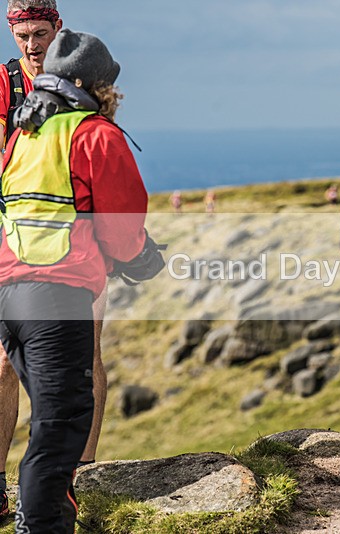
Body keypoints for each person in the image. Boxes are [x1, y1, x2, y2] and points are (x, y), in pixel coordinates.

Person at [0, 28, 163, 531]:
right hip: (58, 298)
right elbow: (121, 227)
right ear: (91, 85)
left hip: (10, 297)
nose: (114, 96)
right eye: (109, 87)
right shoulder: (93, 133)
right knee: (60, 425)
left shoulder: (24, 135)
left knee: (49, 420)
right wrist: (139, 258)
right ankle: (40, 524)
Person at [0, 1, 110, 520]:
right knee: (2, 365)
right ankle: (2, 485)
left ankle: (80, 475)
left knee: (88, 351)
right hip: (13, 244)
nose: (32, 45)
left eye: (40, 34)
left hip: (78, 251)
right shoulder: (5, 84)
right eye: (23, 36)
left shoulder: (83, 73)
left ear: (57, 29)